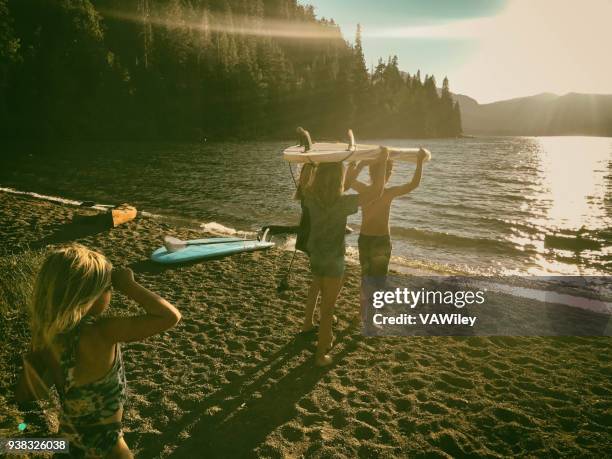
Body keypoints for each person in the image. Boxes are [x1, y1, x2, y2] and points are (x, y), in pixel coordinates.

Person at [15, 244, 181, 458]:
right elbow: (170, 317)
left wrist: (22, 435)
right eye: (109, 288)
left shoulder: (46, 338)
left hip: (67, 443)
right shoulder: (101, 332)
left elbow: (26, 394)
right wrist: (128, 285)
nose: (111, 293)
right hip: (106, 445)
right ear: (90, 295)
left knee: (8, 444)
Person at [302, 149, 388, 366]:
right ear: (338, 178)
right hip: (334, 260)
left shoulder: (310, 196)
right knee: (328, 308)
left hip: (316, 256)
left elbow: (305, 180)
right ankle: (321, 355)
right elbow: (377, 191)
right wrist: (384, 159)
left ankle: (325, 337)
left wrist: (311, 161)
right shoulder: (343, 203)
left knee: (322, 298)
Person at [348, 148, 427, 325]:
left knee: (376, 280)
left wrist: (420, 162)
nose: (388, 174)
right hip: (367, 239)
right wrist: (356, 163)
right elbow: (349, 181)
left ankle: (368, 314)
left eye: (390, 171)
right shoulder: (366, 190)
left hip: (381, 240)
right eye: (386, 170)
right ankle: (364, 315)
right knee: (368, 279)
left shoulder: (389, 192)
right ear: (374, 172)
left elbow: (413, 184)